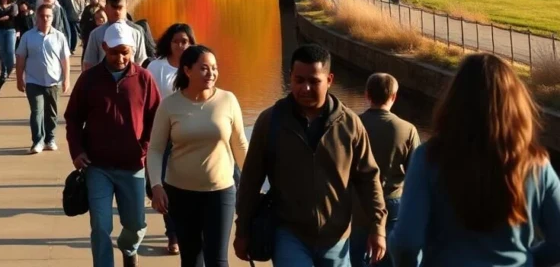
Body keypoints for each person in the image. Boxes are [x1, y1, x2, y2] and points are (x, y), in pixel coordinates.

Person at [390, 54, 560, 267]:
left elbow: (407, 242)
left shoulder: (428, 158)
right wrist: (528, 260)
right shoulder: (537, 164)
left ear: (454, 101)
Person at [234, 44, 386, 267]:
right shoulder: (271, 122)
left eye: (314, 81)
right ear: (290, 77)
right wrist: (242, 230)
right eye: (299, 80)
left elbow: (368, 179)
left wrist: (378, 227)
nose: (305, 88)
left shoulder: (349, 124)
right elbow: (250, 180)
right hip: (288, 233)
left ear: (329, 79)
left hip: (336, 238)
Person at [65, 22, 161, 267]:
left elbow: (156, 118)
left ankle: (129, 250)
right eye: (114, 52)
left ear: (132, 49)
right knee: (100, 225)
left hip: (133, 166)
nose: (120, 57)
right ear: (104, 47)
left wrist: (145, 148)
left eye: (125, 52)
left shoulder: (144, 79)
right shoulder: (89, 80)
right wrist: (77, 151)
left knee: (136, 224)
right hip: (98, 167)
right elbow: (73, 118)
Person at [149, 45, 248, 267]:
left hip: (220, 192)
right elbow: (155, 149)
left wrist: (253, 182)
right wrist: (157, 186)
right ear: (187, 70)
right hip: (181, 194)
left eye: (214, 68)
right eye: (204, 68)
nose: (211, 73)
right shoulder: (170, 105)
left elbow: (240, 144)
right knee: (191, 259)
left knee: (218, 260)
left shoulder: (228, 100)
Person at [349, 73, 420, 267]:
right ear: (394, 97)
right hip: (393, 203)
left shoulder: (352, 125)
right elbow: (415, 175)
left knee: (357, 255)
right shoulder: (407, 129)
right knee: (390, 258)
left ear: (367, 95)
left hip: (360, 203)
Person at [145, 23, 196, 254]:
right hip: (164, 135)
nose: (181, 46)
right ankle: (173, 234)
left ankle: (191, 229)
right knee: (167, 186)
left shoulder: (197, 66)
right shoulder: (156, 67)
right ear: (169, 43)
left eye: (185, 41)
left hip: (192, 135)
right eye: (177, 41)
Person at [15, 3, 71, 154]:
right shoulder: (28, 36)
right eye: (42, 16)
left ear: (52, 18)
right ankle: (37, 141)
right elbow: (20, 58)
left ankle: (50, 139)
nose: (45, 19)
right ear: (37, 18)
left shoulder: (59, 37)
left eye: (48, 16)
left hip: (53, 81)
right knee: (37, 111)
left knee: (51, 112)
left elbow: (65, 60)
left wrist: (67, 79)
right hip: (33, 81)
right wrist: (19, 79)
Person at [82, 0, 148, 71]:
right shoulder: (96, 34)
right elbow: (89, 63)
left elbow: (140, 62)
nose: (117, 12)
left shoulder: (136, 33)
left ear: (126, 7)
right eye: (113, 7)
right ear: (106, 8)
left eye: (120, 8)